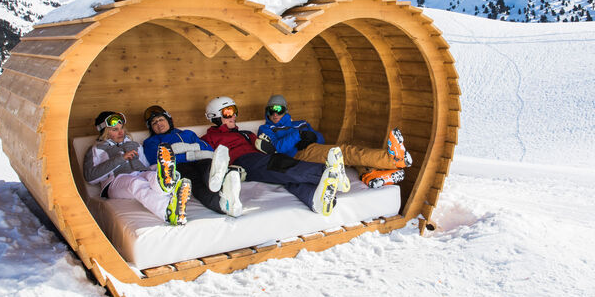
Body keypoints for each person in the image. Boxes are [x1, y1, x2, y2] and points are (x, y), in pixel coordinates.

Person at [201, 96, 346, 216]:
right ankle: (327, 173)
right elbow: (210, 161)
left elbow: (267, 147)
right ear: (215, 117)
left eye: (234, 111)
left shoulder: (246, 133)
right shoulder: (209, 138)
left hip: (259, 159)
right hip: (243, 163)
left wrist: (266, 146)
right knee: (279, 164)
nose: (233, 116)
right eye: (228, 113)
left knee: (283, 175)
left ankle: (314, 199)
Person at [256, 94, 412, 188]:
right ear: (267, 112)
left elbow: (320, 138)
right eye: (271, 110)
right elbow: (277, 148)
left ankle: (370, 174)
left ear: (285, 111)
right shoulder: (266, 129)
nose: (275, 114)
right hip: (298, 155)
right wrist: (298, 135)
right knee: (345, 152)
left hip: (314, 147)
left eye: (279, 110)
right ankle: (393, 160)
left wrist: (312, 136)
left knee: (349, 155)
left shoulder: (301, 123)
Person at [82, 111, 190, 225]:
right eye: (115, 130)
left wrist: (154, 170)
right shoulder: (96, 149)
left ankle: (166, 184)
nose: (121, 132)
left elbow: (145, 166)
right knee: (136, 183)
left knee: (152, 175)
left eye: (121, 128)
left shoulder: (135, 145)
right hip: (115, 182)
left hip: (140, 173)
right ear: (104, 132)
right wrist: (120, 159)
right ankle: (167, 212)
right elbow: (90, 177)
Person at [141, 105, 243, 217]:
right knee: (195, 182)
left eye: (161, 119)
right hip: (179, 165)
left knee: (208, 166)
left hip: (201, 160)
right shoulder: (151, 142)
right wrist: (191, 151)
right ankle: (221, 205)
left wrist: (177, 149)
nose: (159, 124)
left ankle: (218, 180)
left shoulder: (187, 133)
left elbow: (207, 148)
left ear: (169, 120)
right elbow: (158, 159)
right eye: (154, 123)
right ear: (151, 127)